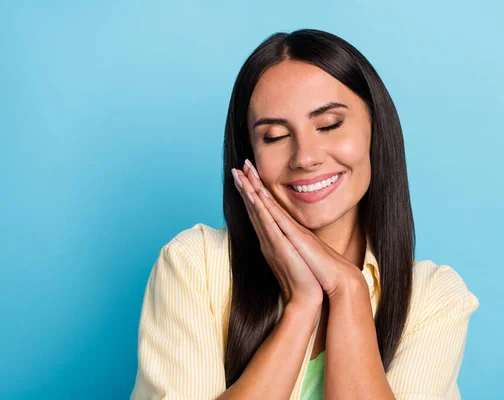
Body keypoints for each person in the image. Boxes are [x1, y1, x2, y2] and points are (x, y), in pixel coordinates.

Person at [130, 28, 480, 400]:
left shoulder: (433, 298)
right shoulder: (194, 265)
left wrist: (348, 290)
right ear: (249, 154)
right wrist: (302, 305)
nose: (306, 157)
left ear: (375, 130)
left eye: (329, 125)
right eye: (275, 136)